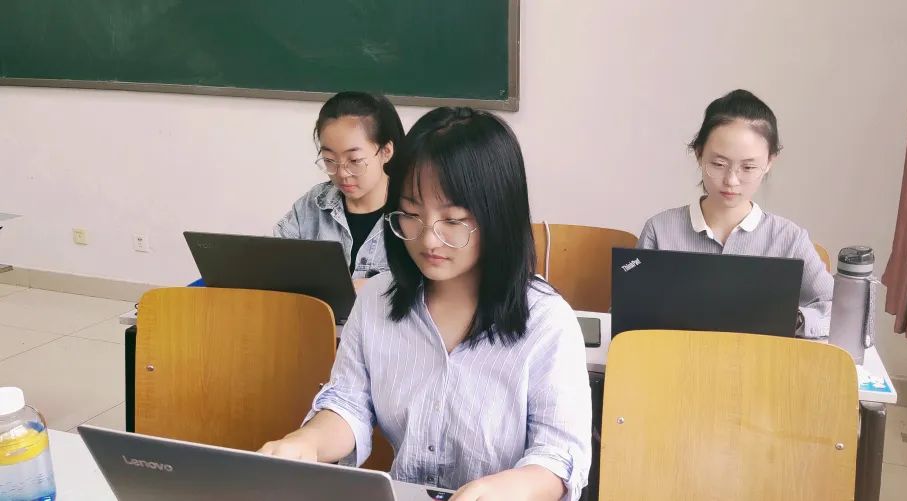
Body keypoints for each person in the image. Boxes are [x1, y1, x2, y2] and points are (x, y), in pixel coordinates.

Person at [260, 107, 592, 500]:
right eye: (411, 214)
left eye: (452, 220)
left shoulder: (547, 321)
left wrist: (504, 489)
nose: (428, 240)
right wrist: (307, 443)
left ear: (498, 216)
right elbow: (350, 404)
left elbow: (559, 455)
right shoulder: (377, 302)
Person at [638, 89, 833, 338]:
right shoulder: (660, 230)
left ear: (769, 162)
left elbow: (837, 311)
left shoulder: (789, 239)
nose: (731, 180)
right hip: (678, 357)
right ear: (699, 154)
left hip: (759, 360)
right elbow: (627, 311)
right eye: (718, 164)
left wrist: (790, 319)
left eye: (748, 167)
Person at [274, 91, 404, 290]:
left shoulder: (411, 214)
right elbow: (275, 264)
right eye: (329, 160)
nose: (342, 173)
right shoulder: (313, 204)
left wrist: (374, 288)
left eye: (355, 161)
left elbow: (427, 287)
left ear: (386, 152)